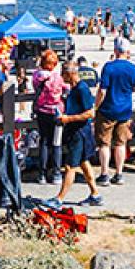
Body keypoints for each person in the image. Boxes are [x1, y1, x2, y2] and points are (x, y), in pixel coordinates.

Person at [46, 65, 103, 208]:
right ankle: (95, 194)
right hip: (76, 130)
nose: (61, 77)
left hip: (80, 132)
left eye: (63, 74)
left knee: (70, 165)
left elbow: (90, 113)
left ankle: (59, 199)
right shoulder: (73, 88)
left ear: (69, 74)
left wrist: (68, 119)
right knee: (84, 162)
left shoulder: (82, 89)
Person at [92, 41, 135, 186]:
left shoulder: (109, 67)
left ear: (115, 50)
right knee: (121, 143)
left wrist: (96, 106)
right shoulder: (133, 69)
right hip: (125, 109)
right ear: (127, 51)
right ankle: (119, 173)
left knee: (104, 143)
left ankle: (104, 174)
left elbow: (102, 90)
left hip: (108, 108)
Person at [30, 50, 69, 185]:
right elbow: (66, 88)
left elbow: (35, 87)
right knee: (56, 143)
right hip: (56, 112)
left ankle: (42, 174)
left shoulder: (36, 76)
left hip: (42, 111)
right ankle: (57, 173)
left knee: (44, 142)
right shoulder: (57, 77)